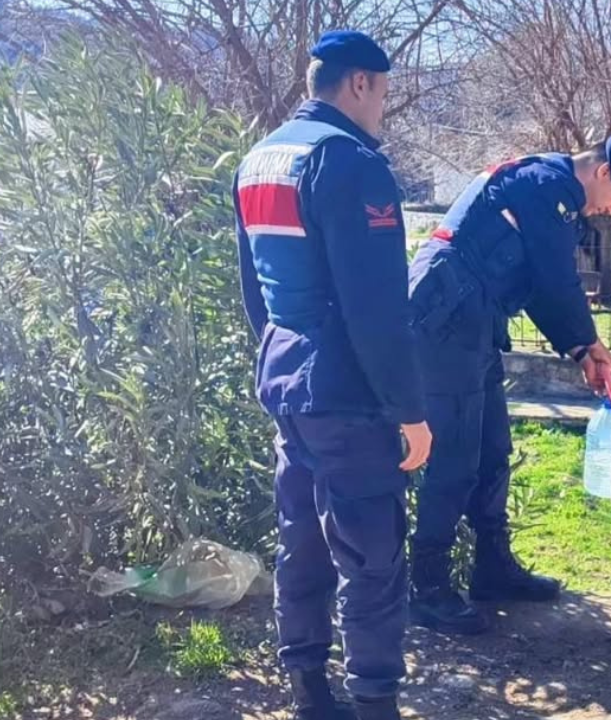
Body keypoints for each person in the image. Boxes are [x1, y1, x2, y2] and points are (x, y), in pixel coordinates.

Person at [233, 30, 429, 720]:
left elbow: (254, 291)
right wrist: (408, 409)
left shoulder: (261, 159)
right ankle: (375, 702)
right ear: (359, 85)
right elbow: (376, 306)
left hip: (287, 380)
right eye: (383, 93)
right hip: (347, 393)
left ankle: (310, 694)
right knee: (372, 553)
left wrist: (280, 355)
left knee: (303, 543)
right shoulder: (350, 163)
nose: (382, 108)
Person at [405, 136, 611, 635]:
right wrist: (587, 338)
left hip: (473, 319)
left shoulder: (546, 189)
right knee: (454, 455)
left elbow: (540, 284)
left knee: (493, 448)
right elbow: (558, 277)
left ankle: (492, 568)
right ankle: (427, 586)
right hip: (445, 319)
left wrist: (581, 348)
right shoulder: (546, 185)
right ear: (603, 173)